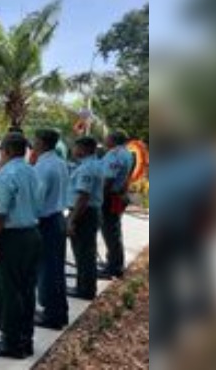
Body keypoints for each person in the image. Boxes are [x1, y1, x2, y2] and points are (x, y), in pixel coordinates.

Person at [0, 133, 42, 359]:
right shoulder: (31, 171)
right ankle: (25, 340)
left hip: (11, 238)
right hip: (32, 234)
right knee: (26, 290)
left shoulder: (5, 174)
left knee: (8, 292)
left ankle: (10, 342)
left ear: (5, 150)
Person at [32, 129, 71, 330]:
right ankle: (59, 311)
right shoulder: (59, 162)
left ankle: (51, 315)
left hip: (46, 221)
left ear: (41, 142)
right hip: (57, 217)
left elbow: (37, 201)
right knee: (56, 270)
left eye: (35, 139)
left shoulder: (43, 167)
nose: (33, 142)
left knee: (47, 270)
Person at [67, 136, 105, 301]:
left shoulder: (87, 168)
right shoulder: (92, 164)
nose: (73, 150)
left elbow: (83, 196)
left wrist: (72, 220)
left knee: (84, 253)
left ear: (83, 148)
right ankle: (83, 286)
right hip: (87, 212)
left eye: (75, 146)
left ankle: (85, 289)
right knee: (84, 252)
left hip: (85, 213)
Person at [99, 130, 133, 279]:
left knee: (110, 231)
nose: (105, 139)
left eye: (107, 137)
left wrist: (99, 197)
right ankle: (113, 262)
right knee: (113, 230)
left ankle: (114, 267)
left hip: (109, 196)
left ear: (113, 140)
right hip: (117, 194)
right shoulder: (126, 153)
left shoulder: (115, 155)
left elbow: (108, 179)